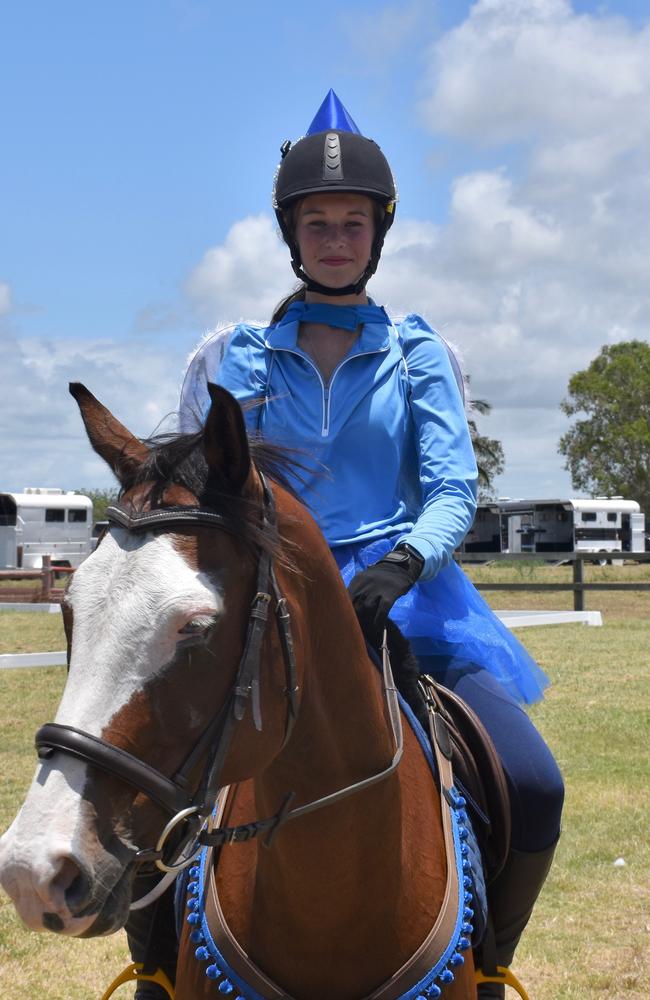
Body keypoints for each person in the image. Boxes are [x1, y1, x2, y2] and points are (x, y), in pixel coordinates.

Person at [131, 90, 564, 1000]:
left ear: (380, 233)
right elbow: (201, 495)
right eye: (318, 222)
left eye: (352, 223)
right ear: (291, 233)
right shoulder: (229, 354)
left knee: (532, 781)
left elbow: (453, 487)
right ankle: (159, 972)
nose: (336, 238)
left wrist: (406, 563)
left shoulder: (418, 353)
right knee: (151, 781)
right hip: (262, 610)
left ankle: (487, 966)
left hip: (403, 599)